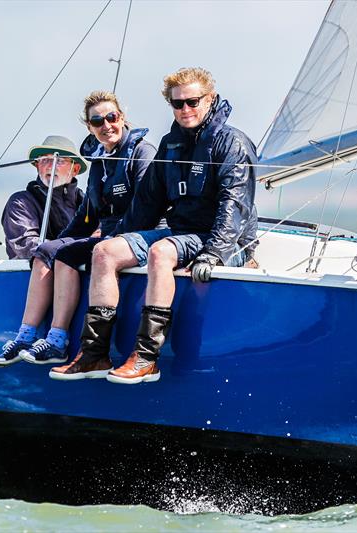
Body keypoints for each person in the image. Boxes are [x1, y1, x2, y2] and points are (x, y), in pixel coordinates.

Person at [49, 67, 258, 384]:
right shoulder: (170, 144)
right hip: (181, 233)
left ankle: (146, 358)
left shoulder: (233, 143)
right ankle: (94, 355)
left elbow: (235, 205)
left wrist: (214, 254)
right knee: (105, 252)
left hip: (224, 240)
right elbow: (147, 203)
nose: (185, 109)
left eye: (192, 101)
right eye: (178, 104)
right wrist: (121, 241)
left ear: (210, 99)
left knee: (161, 252)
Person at [0, 90, 157, 367]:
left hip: (136, 234)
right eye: (97, 121)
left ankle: (68, 342)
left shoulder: (142, 152)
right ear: (90, 127)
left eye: (111, 117)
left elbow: (147, 205)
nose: (106, 125)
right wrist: (58, 246)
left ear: (122, 117)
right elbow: (85, 217)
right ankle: (39, 337)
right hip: (110, 235)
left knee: (93, 251)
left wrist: (111, 235)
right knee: (50, 251)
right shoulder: (99, 161)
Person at [1, 136, 87, 259]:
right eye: (45, 160)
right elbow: (27, 245)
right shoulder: (20, 202)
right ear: (37, 166)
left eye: (59, 160)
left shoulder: (86, 202)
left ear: (75, 169)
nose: (50, 166)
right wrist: (80, 248)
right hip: (30, 275)